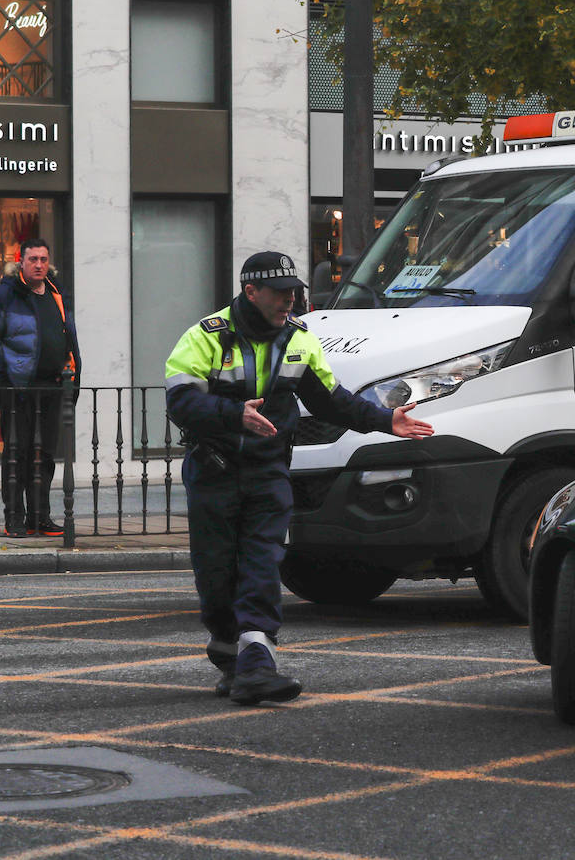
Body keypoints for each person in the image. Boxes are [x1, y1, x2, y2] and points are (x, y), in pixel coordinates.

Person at [165, 251, 434, 706]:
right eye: (279, 292)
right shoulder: (205, 336)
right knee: (216, 575)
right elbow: (180, 401)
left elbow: (333, 402)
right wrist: (234, 414)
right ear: (251, 292)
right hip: (215, 472)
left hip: (268, 471)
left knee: (262, 563)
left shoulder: (299, 338)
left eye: (294, 291)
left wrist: (387, 420)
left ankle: (256, 663)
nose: (289, 300)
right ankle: (230, 648)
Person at [0, 239, 81, 538]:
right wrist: (5, 374)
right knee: (17, 454)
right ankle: (15, 519)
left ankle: (40, 517)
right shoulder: (6, 294)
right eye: (33, 259)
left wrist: (71, 370)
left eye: (43, 259)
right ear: (21, 261)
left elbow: (67, 333)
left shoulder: (57, 292)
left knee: (44, 455)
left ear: (49, 262)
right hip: (17, 389)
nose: (38, 264)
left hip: (52, 386)